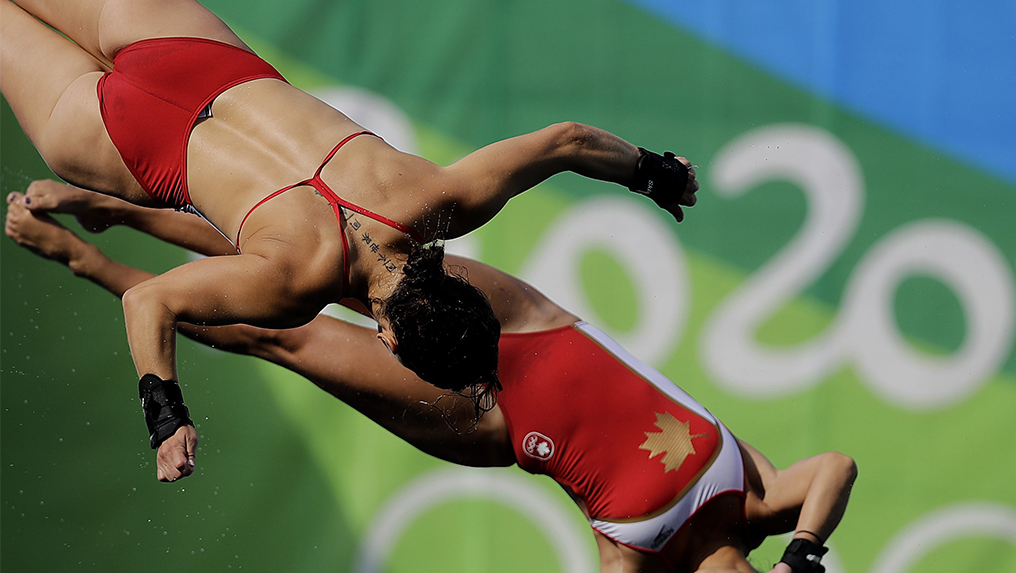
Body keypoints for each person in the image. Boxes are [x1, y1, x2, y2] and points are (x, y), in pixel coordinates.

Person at [6, 188, 857, 573]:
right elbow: (839, 466)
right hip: (526, 323)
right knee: (327, 260)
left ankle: (94, 266)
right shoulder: (762, 503)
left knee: (284, 332)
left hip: (482, 416)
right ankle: (119, 209)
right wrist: (800, 558)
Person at [0, 0, 697, 483]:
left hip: (188, 48)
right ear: (393, 343)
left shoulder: (439, 200)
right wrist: (165, 416)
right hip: (120, 140)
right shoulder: (296, 287)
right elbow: (150, 300)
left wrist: (655, 173)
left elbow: (566, 141)